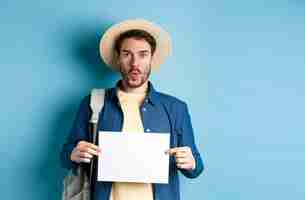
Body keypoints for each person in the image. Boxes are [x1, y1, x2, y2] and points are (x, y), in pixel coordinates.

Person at [60, 19, 204, 200]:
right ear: (118, 57)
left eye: (143, 54)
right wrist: (74, 153)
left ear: (152, 58)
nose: (135, 63)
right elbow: (65, 155)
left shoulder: (176, 108)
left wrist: (190, 162)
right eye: (127, 54)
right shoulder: (93, 103)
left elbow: (196, 167)